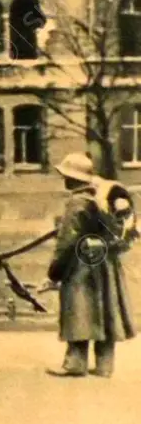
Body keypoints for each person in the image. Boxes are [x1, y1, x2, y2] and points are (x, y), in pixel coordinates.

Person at [44, 153, 136, 378]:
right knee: (105, 309)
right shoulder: (101, 198)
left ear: (72, 178)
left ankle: (75, 362)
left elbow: (67, 242)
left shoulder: (77, 202)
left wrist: (54, 272)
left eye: (65, 175)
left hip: (81, 264)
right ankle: (105, 365)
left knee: (79, 309)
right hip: (106, 263)